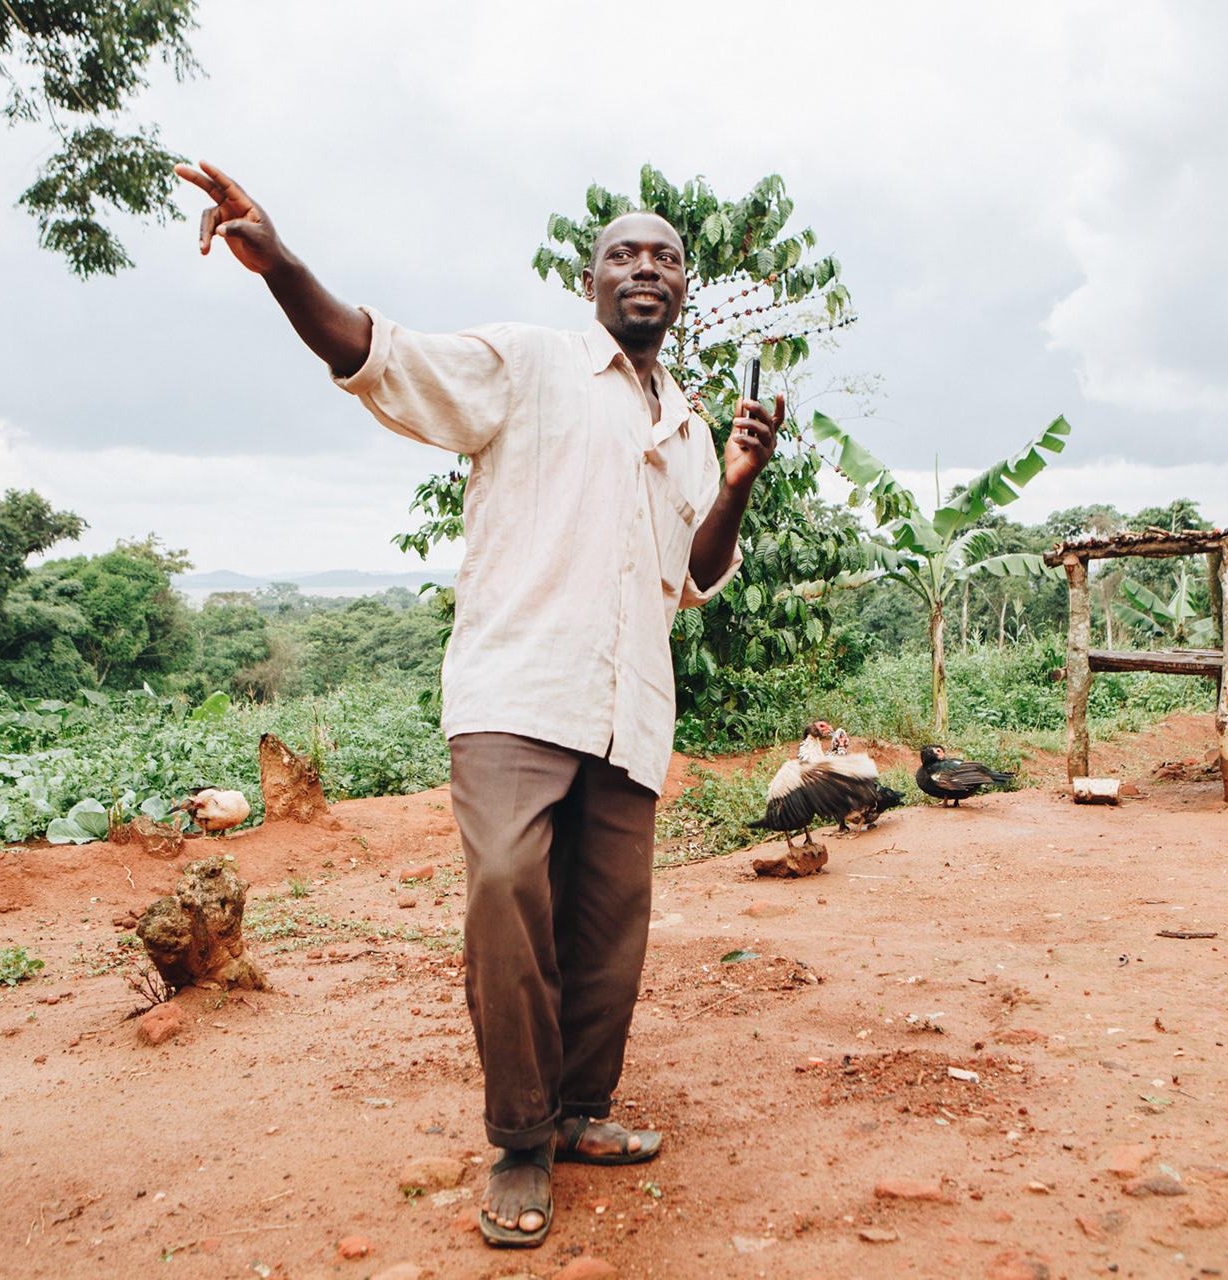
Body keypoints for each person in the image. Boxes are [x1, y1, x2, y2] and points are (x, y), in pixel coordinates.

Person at [174, 161, 781, 1248]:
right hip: (517, 684)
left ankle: (585, 1108)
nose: (646, 268)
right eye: (623, 255)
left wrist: (734, 479)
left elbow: (697, 574)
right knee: (507, 887)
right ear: (589, 281)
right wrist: (282, 265)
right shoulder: (532, 362)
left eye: (666, 257)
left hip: (629, 702)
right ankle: (520, 1134)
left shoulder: (688, 425)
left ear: (685, 287)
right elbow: (379, 354)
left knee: (606, 929)